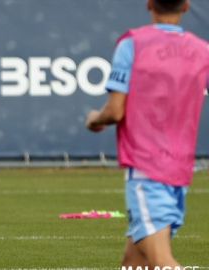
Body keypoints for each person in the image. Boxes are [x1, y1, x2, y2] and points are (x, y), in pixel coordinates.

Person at [86, 0, 209, 268]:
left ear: (150, 4)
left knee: (162, 261)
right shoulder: (202, 51)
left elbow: (116, 111)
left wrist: (95, 119)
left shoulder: (133, 44)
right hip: (180, 167)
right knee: (134, 260)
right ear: (187, 6)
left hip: (146, 166)